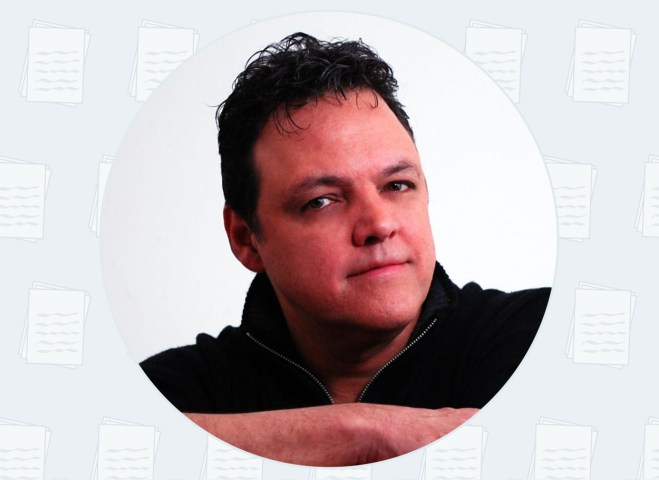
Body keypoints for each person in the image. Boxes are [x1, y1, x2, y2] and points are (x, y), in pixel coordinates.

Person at [140, 32, 550, 466]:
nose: (379, 224)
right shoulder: (175, 390)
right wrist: (360, 434)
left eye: (397, 185)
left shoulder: (539, 335)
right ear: (246, 239)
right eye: (321, 201)